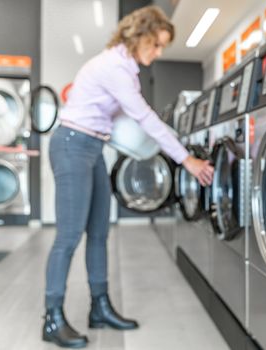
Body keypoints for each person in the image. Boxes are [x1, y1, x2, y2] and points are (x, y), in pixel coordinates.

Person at [42, 5, 214, 348]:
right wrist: (186, 160)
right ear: (142, 37)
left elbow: (129, 124)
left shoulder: (125, 68)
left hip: (91, 147)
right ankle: (52, 318)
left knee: (99, 232)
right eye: (157, 44)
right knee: (69, 235)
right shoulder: (112, 67)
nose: (159, 52)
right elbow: (145, 119)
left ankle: (100, 307)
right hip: (72, 145)